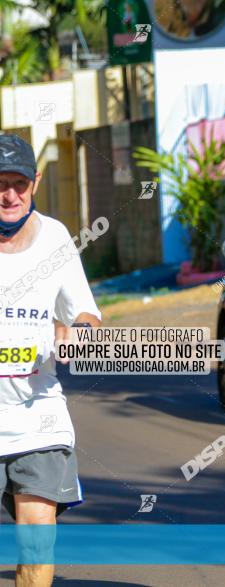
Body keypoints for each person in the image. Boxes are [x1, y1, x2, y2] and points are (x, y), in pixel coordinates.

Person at [0, 134, 102, 587]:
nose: (10, 195)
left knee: (36, 546)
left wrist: (77, 331)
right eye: (0, 183)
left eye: (19, 183)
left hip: (38, 418)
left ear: (35, 182)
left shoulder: (56, 239)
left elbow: (86, 314)